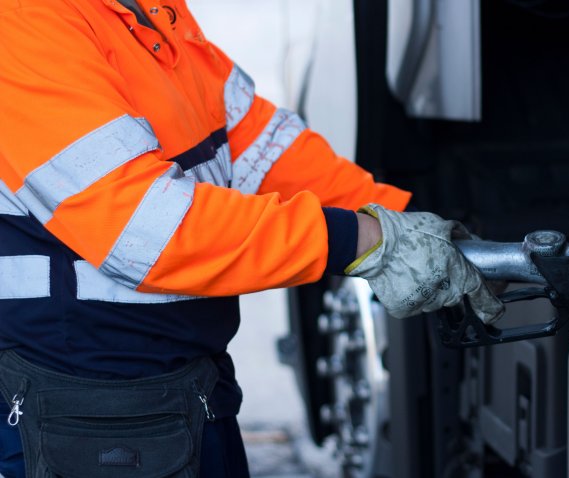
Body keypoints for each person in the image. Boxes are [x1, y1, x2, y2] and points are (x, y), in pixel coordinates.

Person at [0, 1, 503, 476]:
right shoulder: (24, 22)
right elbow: (147, 230)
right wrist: (363, 239)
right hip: (82, 409)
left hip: (180, 389)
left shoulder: (143, 12)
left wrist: (409, 224)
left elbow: (260, 147)